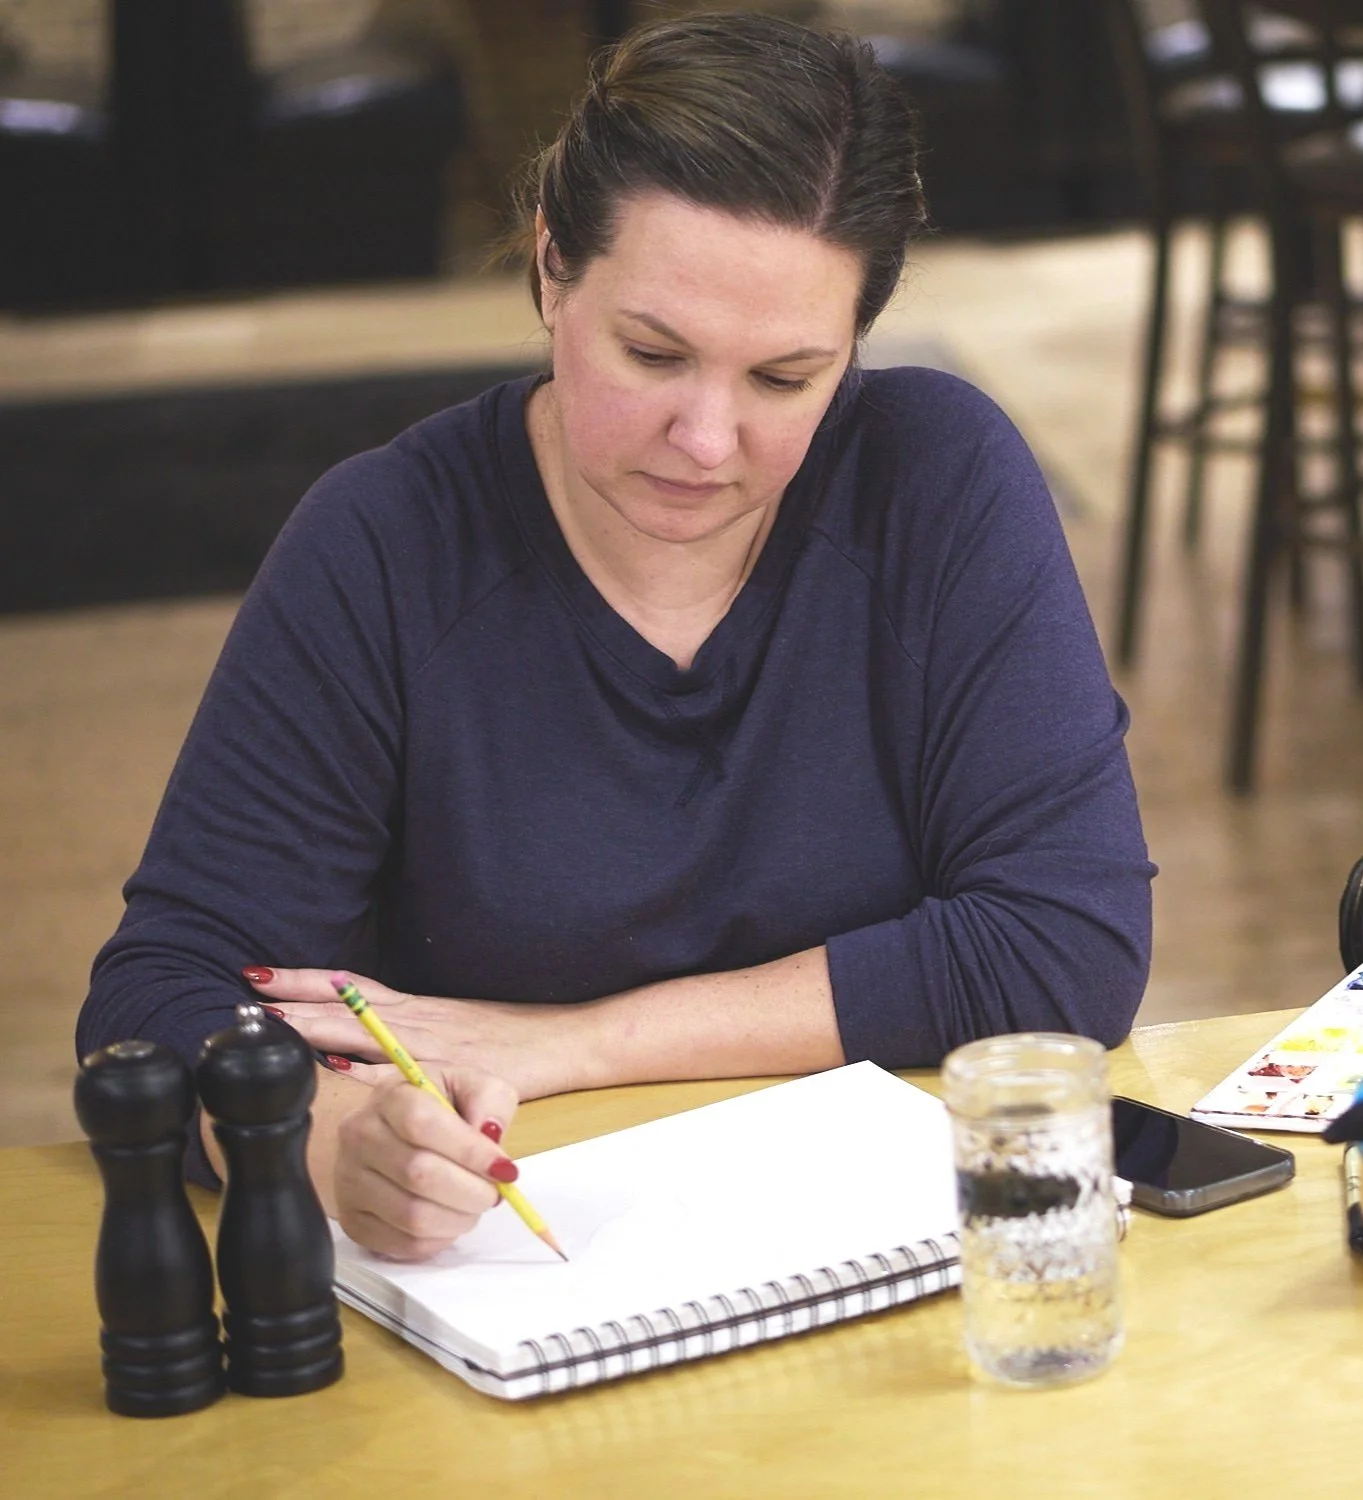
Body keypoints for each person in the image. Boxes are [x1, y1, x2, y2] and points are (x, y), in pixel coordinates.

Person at [77, 14, 1153, 1261]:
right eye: (653, 353)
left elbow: (1064, 945)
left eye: (785, 378)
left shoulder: (931, 479)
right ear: (549, 270)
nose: (705, 440)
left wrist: (573, 1040)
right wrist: (322, 1140)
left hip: (879, 1271)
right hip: (515, 1285)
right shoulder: (386, 547)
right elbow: (156, 1007)